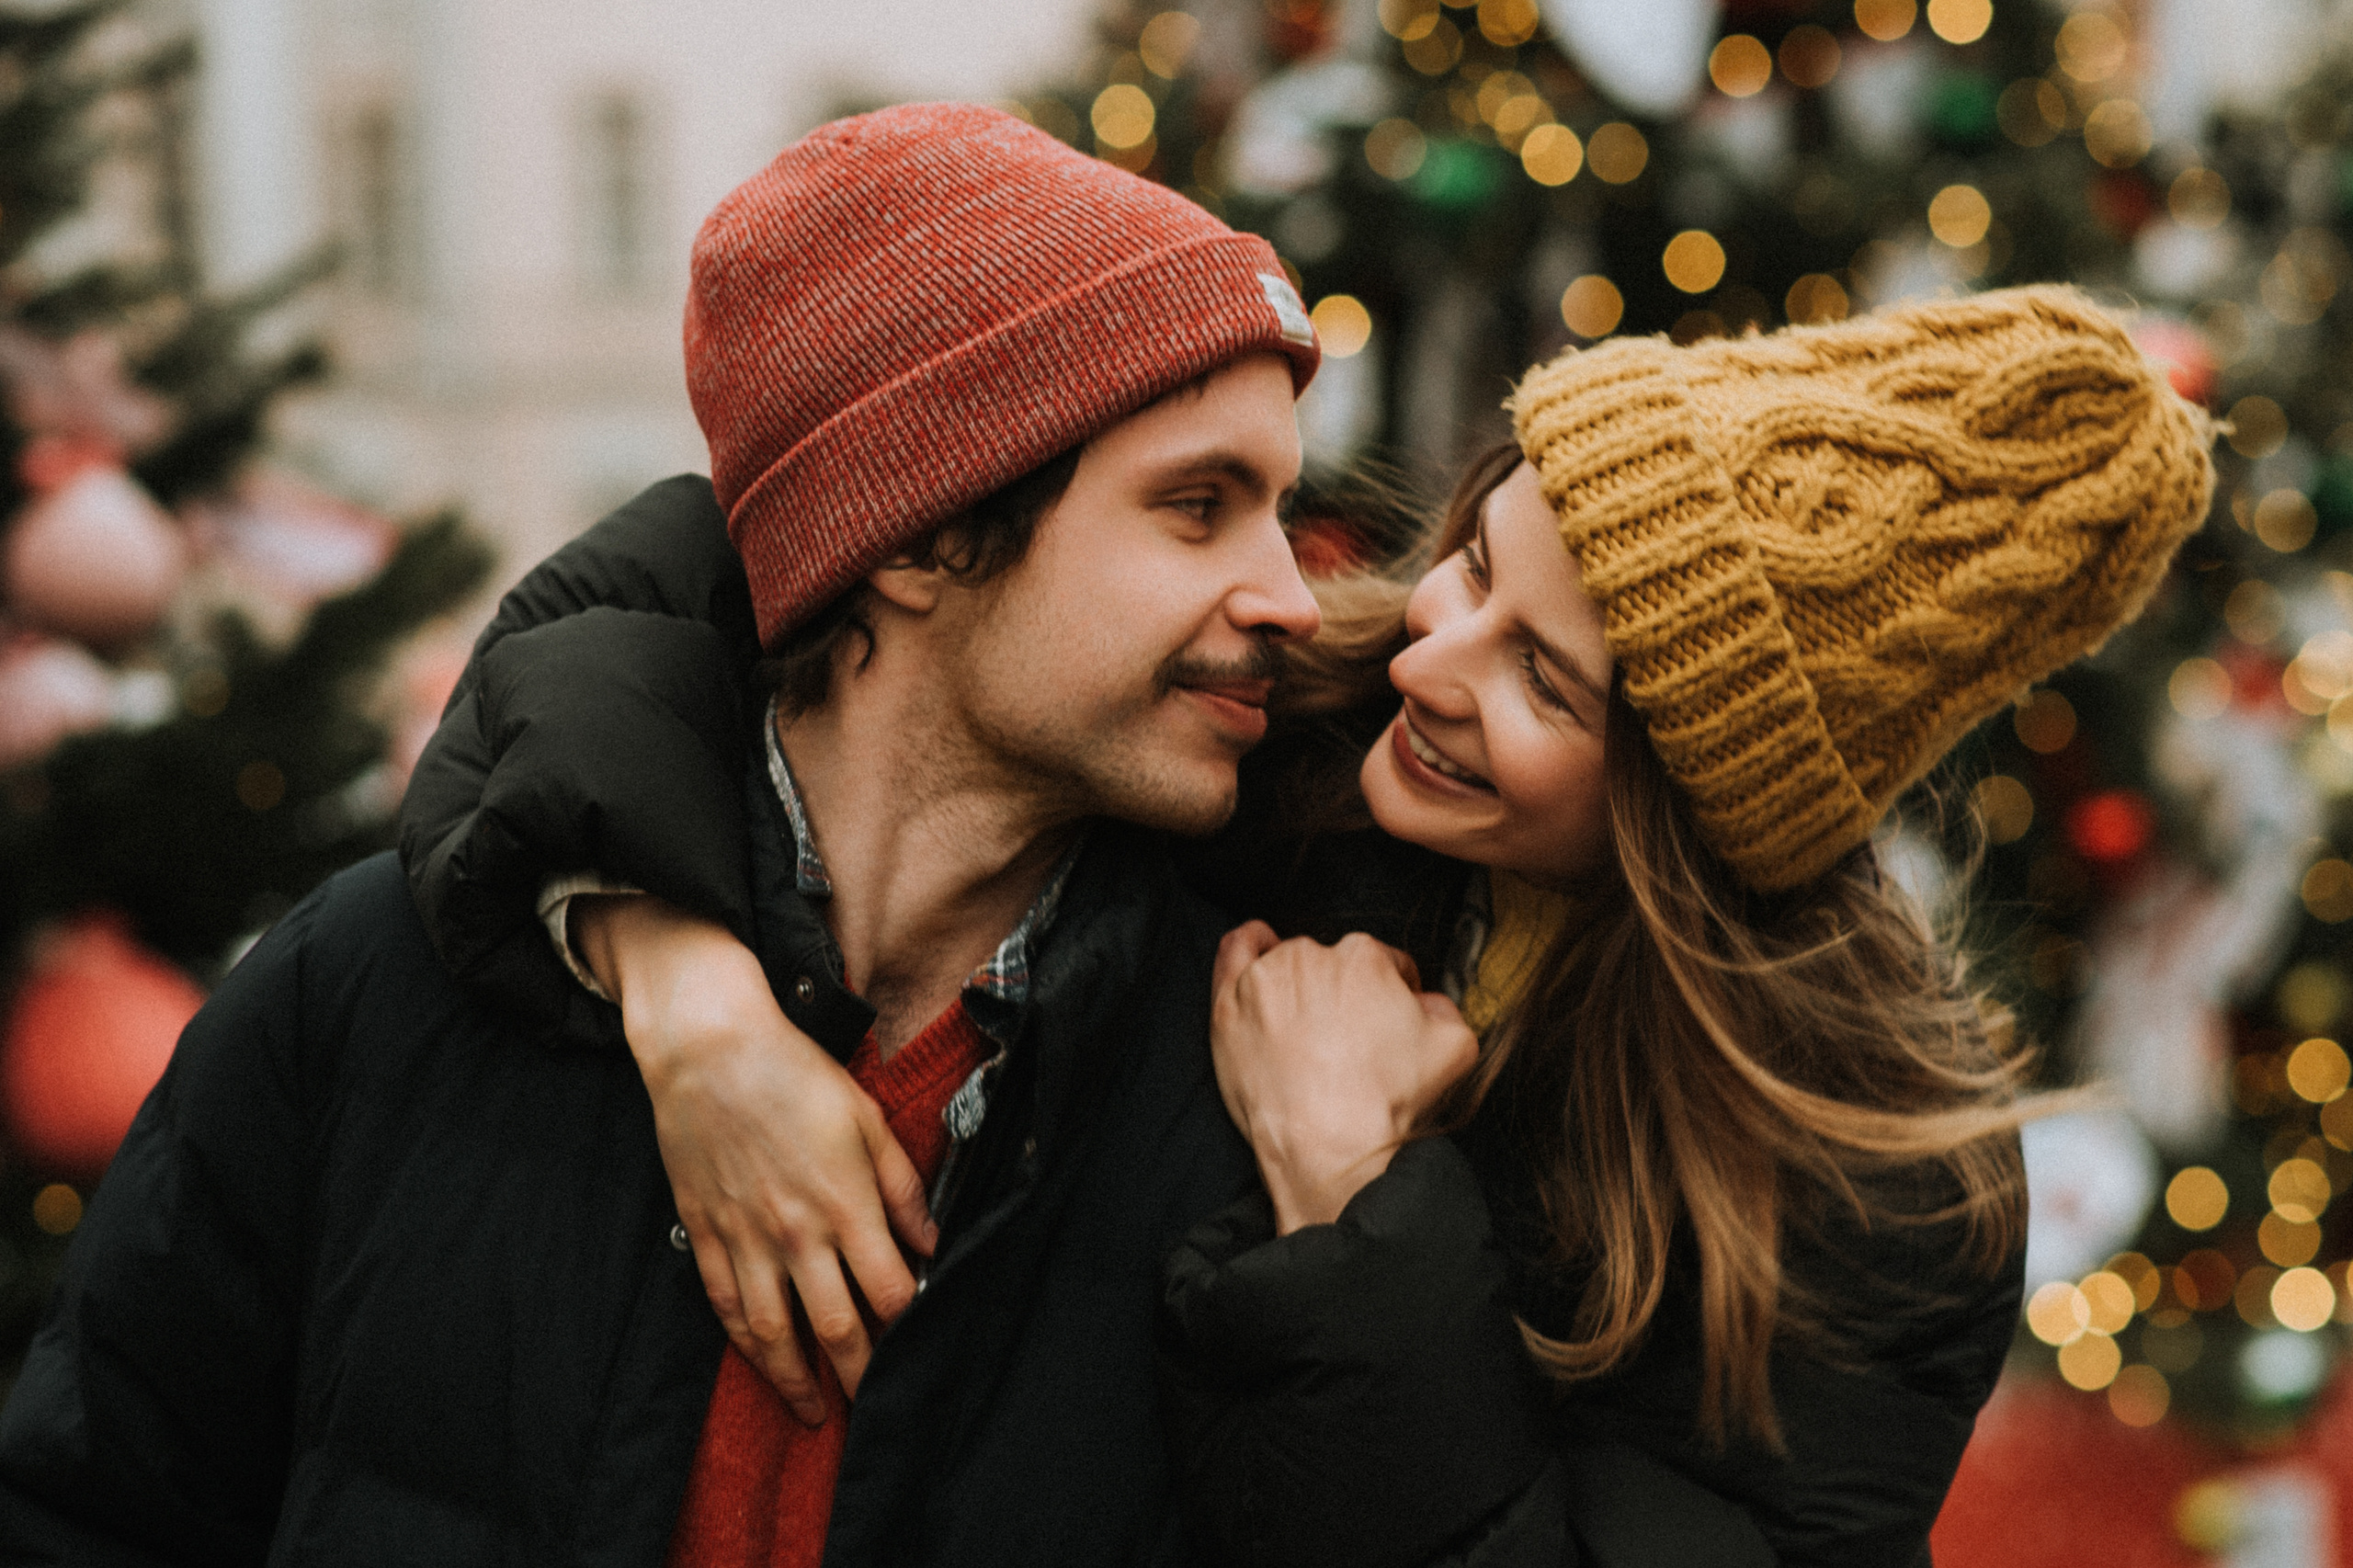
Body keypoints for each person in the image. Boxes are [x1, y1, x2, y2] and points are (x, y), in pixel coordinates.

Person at [398, 285, 2215, 1565]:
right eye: (1476, 565)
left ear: (1695, 807)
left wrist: (1360, 1215)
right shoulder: (1268, 741)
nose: (1425, 653)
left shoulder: (1866, 1193)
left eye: (1547, 689)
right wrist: (688, 990)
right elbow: (635, 601)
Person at [0, 101, 1421, 1567]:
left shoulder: (1264, 1085)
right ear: (922, 537)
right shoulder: (366, 994)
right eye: (1197, 508)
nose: (1290, 596)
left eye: (1277, 507)